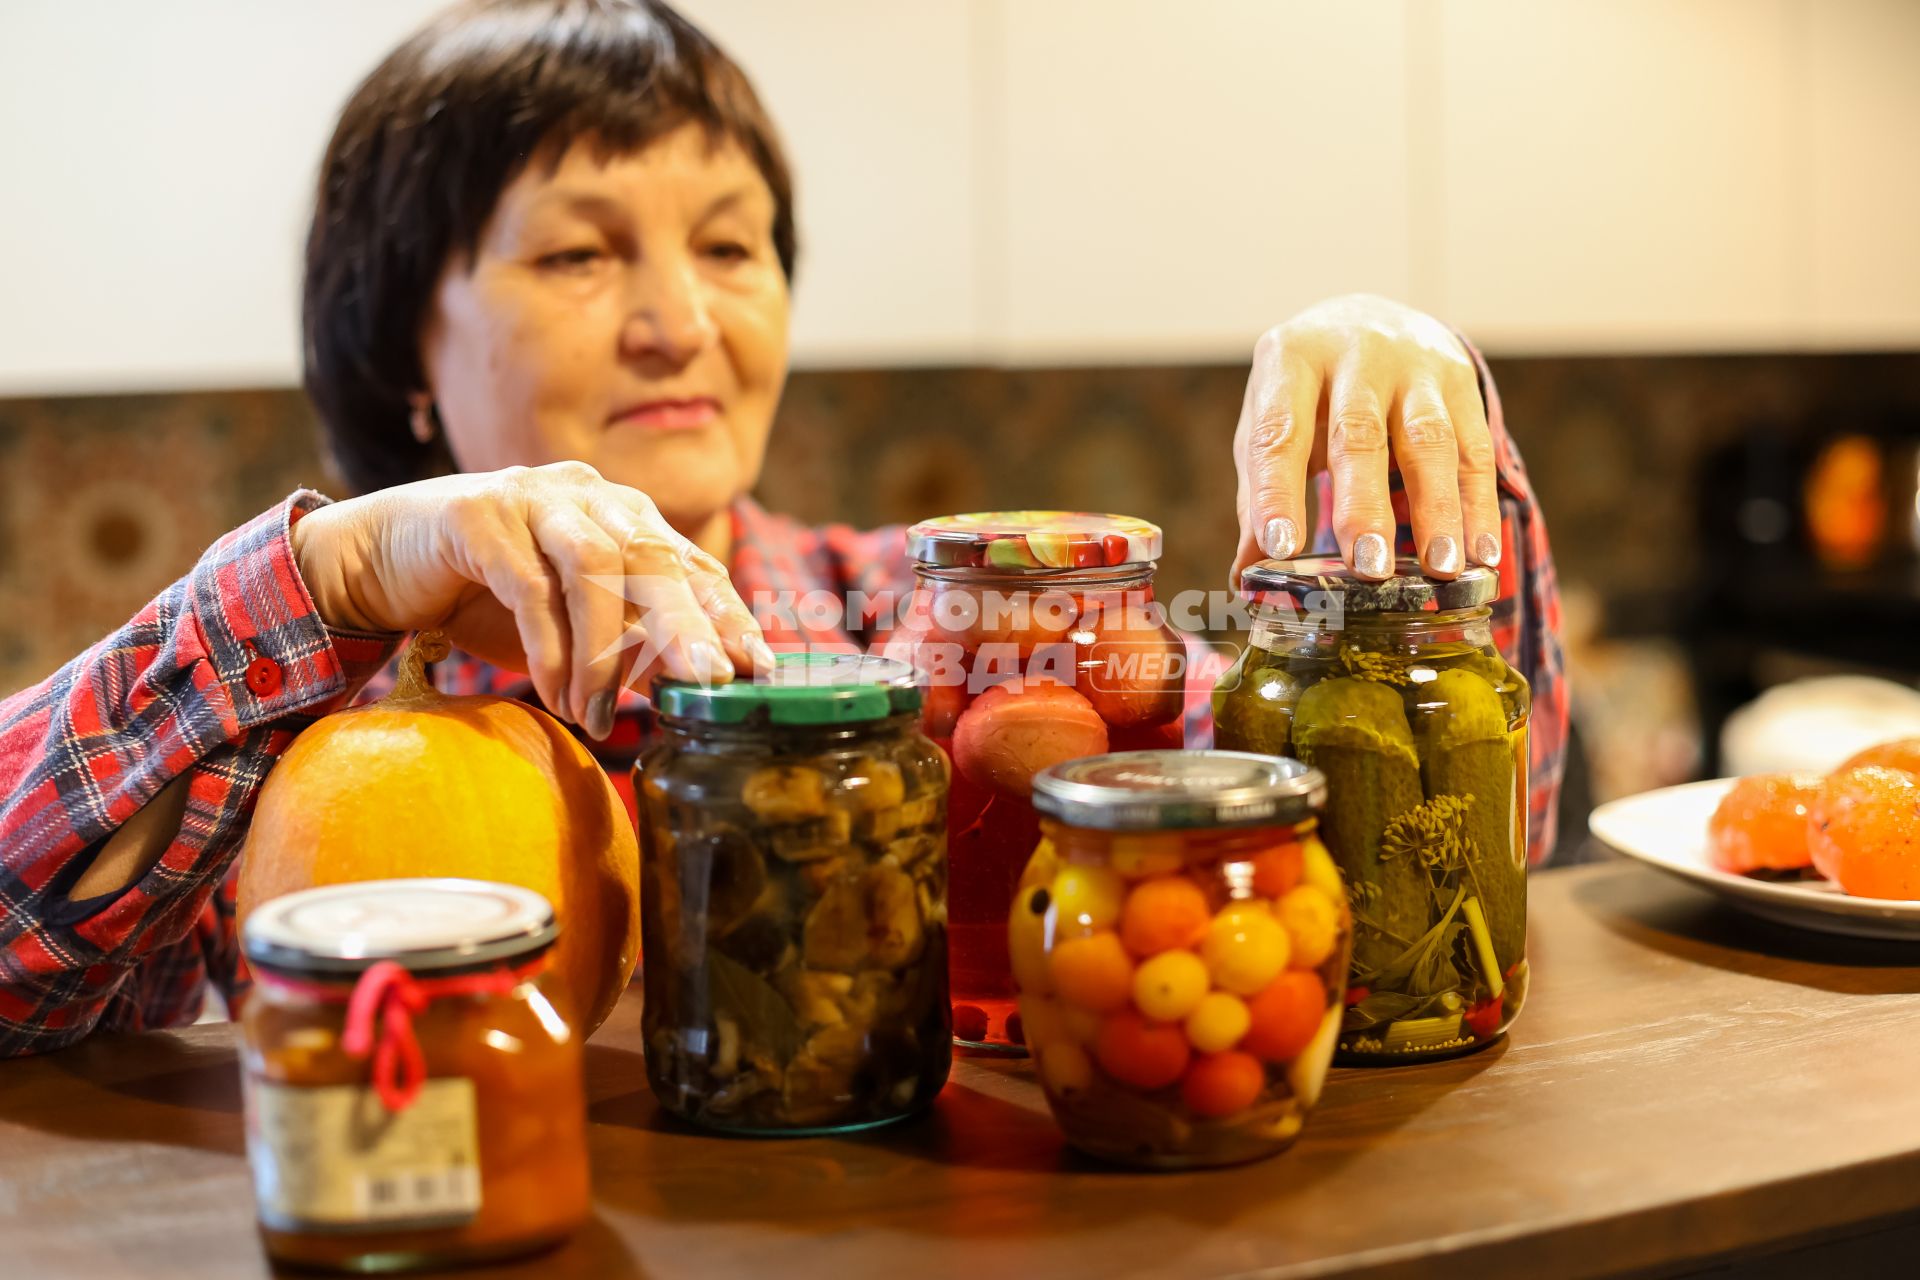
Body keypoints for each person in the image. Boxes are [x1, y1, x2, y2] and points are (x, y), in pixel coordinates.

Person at [0, 0, 1564, 1056]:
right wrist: (334, 569)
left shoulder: (921, 631)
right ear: (405, 345)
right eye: (577, 257)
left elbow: (1426, 862)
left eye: (732, 244)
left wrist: (1416, 413)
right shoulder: (271, 731)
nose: (681, 322)